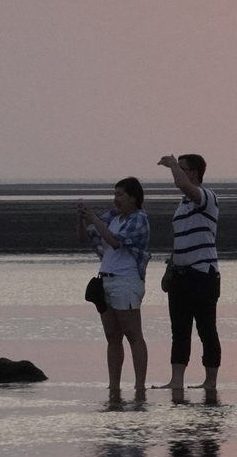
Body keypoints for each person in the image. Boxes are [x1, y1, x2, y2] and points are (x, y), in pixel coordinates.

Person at [76, 178, 151, 404]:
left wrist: (94, 219)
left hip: (126, 280)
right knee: (112, 337)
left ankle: (139, 386)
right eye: (115, 194)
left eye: (120, 194)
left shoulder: (139, 219)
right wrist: (83, 219)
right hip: (106, 280)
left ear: (133, 198)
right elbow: (84, 237)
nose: (115, 198)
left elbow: (116, 242)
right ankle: (114, 386)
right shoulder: (112, 217)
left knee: (133, 334)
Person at [154, 153, 220, 401]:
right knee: (179, 330)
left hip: (203, 274)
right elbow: (180, 241)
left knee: (206, 329)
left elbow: (183, 185)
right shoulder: (182, 205)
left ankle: (210, 382)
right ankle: (176, 380)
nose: (177, 172)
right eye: (178, 168)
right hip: (180, 275)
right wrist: (169, 269)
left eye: (183, 168)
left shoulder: (206, 197)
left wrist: (172, 164)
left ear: (194, 172)